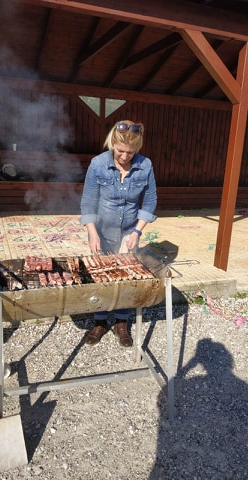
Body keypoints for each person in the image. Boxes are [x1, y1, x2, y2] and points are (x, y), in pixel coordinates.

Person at [80, 120, 157, 347]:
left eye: (130, 153)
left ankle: (121, 322)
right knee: (101, 276)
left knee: (126, 277)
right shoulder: (97, 164)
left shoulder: (146, 165)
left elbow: (150, 200)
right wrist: (92, 233)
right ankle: (101, 321)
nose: (124, 157)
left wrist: (136, 231)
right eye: (120, 151)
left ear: (138, 148)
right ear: (112, 143)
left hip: (129, 233)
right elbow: (88, 202)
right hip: (101, 232)